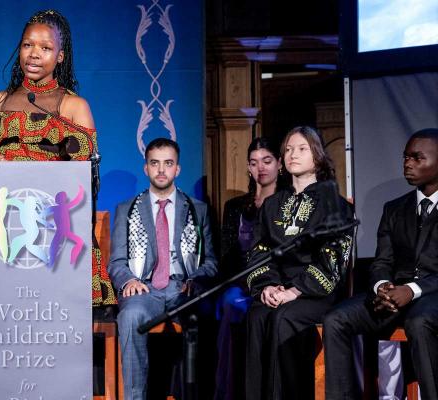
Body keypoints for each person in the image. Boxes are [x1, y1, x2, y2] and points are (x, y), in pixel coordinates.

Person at [0, 8, 116, 306]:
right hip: (1, 227)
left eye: (45, 48)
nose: (34, 54)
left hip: (52, 229)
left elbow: (82, 179)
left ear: (60, 56)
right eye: (27, 45)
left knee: (51, 317)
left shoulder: (74, 106)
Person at [323, 128, 438, 399]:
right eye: (405, 157)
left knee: (420, 321)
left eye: (417, 158)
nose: (407, 163)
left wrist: (412, 290)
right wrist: (382, 286)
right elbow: (382, 260)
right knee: (335, 319)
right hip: (395, 296)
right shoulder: (394, 208)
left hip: (432, 295)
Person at [244, 126, 352, 400]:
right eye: (289, 149)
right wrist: (268, 286)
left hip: (317, 292)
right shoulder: (272, 204)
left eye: (302, 149)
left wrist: (295, 291)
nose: (293, 154)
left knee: (284, 317)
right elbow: (260, 251)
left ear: (317, 156)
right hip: (279, 287)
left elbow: (333, 258)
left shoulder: (334, 204)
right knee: (257, 316)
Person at [108, 137, 218, 400]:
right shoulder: (126, 209)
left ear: (177, 169)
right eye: (154, 163)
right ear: (145, 168)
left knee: (203, 315)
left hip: (183, 289)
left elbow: (211, 262)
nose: (161, 170)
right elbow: (117, 262)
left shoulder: (198, 209)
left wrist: (196, 279)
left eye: (168, 163)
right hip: (144, 289)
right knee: (131, 316)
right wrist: (128, 281)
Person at [214, 137, 282, 400]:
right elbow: (227, 259)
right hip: (242, 284)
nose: (260, 168)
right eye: (254, 163)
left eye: (267, 161)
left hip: (278, 283)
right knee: (232, 302)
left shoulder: (290, 203)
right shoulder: (235, 207)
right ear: (248, 167)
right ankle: (230, 392)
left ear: (279, 164)